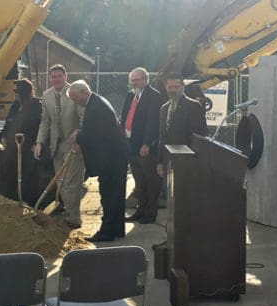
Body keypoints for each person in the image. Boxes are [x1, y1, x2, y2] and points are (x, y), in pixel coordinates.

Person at [68, 80, 128, 242]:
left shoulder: (96, 108)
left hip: (111, 159)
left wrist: (78, 136)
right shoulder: (96, 102)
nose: (75, 102)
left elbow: (96, 136)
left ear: (83, 92)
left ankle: (107, 232)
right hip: (114, 157)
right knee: (115, 195)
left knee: (109, 196)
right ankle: (116, 229)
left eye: (75, 98)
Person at [34, 64, 85, 228]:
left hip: (73, 143)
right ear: (50, 78)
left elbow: (83, 118)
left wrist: (79, 136)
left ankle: (74, 218)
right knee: (61, 182)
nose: (56, 79)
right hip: (56, 145)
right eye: (53, 76)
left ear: (65, 76)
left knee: (72, 182)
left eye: (59, 76)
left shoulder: (74, 92)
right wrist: (39, 142)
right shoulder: (47, 96)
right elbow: (45, 121)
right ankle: (69, 212)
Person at [120, 67, 163, 224]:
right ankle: (140, 210)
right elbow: (124, 117)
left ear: (146, 79)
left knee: (151, 181)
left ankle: (150, 213)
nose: (133, 83)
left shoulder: (154, 96)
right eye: (131, 80)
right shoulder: (130, 95)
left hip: (145, 147)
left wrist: (147, 143)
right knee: (139, 181)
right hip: (130, 145)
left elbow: (153, 122)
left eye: (136, 80)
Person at [156, 74, 208, 180]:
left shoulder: (194, 106)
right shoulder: (164, 108)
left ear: (182, 87)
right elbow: (162, 137)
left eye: (176, 87)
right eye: (170, 87)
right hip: (168, 159)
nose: (173, 90)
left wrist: (195, 160)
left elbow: (202, 135)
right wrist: (160, 161)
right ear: (166, 88)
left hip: (187, 160)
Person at [4, 79, 43, 205]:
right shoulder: (15, 105)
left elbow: (40, 125)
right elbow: (9, 122)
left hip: (28, 147)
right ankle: (14, 201)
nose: (14, 93)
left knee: (28, 178)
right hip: (13, 147)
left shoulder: (36, 105)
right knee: (11, 176)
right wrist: (4, 136)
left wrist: (37, 142)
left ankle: (30, 203)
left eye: (16, 91)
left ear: (24, 91)